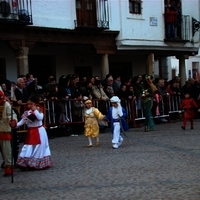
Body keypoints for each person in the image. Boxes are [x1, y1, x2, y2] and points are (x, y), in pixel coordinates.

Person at [9, 94, 53, 170]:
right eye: (28, 104)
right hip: (31, 132)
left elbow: (40, 118)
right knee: (28, 147)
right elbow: (21, 122)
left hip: (39, 131)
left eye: (31, 104)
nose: (29, 105)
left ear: (35, 103)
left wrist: (35, 110)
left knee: (39, 147)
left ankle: (36, 163)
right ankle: (26, 163)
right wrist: (14, 124)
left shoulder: (39, 110)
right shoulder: (26, 113)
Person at [0, 90, 18, 176]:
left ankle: (9, 167)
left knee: (7, 150)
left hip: (4, 130)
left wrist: (13, 120)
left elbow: (12, 114)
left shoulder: (6, 105)